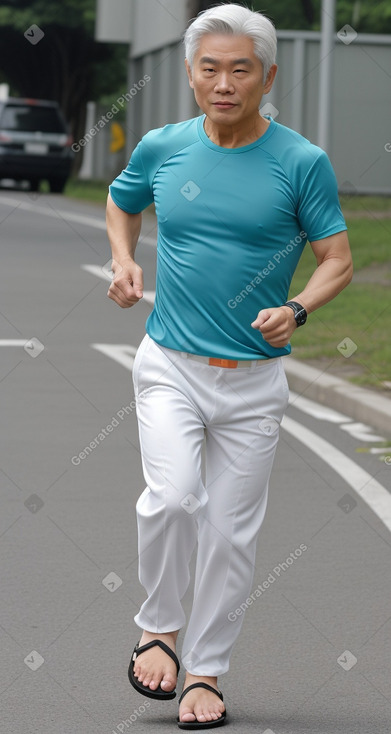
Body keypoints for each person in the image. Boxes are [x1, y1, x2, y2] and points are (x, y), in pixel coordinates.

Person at [106, 3, 353, 729]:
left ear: (267, 76)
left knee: (227, 531)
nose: (222, 82)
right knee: (174, 498)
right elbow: (123, 205)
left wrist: (299, 308)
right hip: (170, 365)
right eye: (208, 68)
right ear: (189, 74)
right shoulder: (163, 147)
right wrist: (121, 261)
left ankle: (204, 673)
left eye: (238, 69)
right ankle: (159, 625)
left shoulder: (300, 161)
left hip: (253, 380)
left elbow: (336, 258)